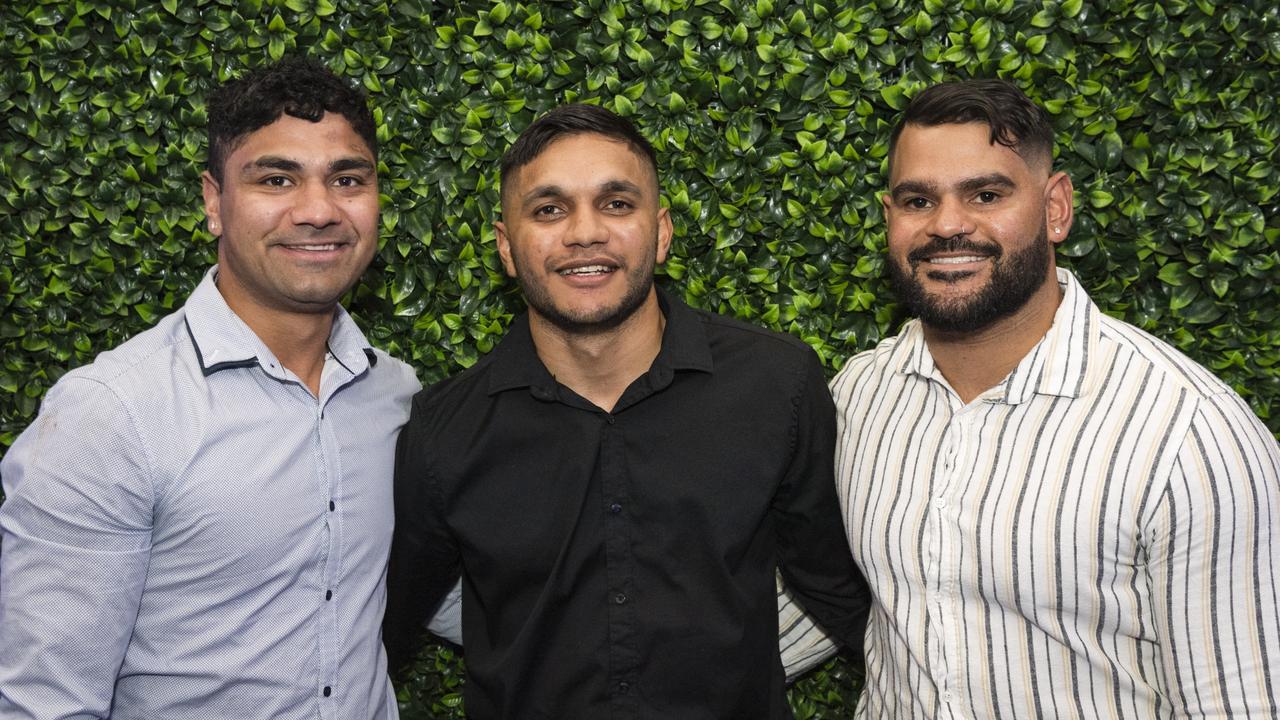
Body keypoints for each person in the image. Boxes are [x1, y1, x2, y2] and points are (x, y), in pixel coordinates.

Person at [0, 57, 457, 719]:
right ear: (214, 201)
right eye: (277, 178)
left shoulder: (397, 396)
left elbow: (426, 577)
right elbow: (40, 702)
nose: (319, 210)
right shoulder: (111, 415)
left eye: (347, 179)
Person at [385, 103, 871, 719]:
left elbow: (841, 592)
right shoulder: (443, 431)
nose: (585, 232)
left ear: (662, 232)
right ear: (507, 248)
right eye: (549, 209)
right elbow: (384, 625)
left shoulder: (777, 384)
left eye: (616, 204)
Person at [830, 78, 1280, 717]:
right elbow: (825, 596)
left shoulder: (1188, 435)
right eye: (916, 199)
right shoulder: (859, 396)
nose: (948, 224)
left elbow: (1239, 701)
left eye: (986, 194)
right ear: (889, 218)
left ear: (1056, 207)